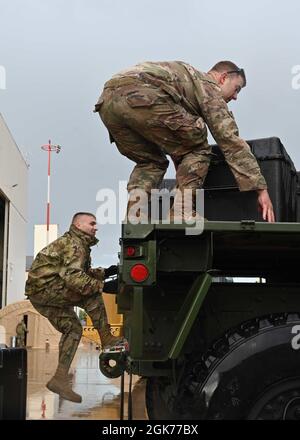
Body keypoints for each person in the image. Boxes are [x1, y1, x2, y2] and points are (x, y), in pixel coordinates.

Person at [94, 60, 275, 223]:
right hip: (143, 94)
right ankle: (182, 211)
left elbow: (172, 134)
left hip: (107, 102)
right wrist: (261, 190)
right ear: (223, 78)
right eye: (237, 89)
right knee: (199, 148)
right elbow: (229, 139)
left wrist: (178, 154)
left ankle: (135, 215)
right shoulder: (208, 85)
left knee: (151, 162)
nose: (235, 97)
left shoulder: (185, 79)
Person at [25, 212, 126, 403]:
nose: (96, 227)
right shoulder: (74, 244)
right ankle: (107, 339)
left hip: (39, 294)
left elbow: (82, 272)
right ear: (78, 225)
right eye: (92, 223)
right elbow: (74, 279)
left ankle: (59, 379)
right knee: (90, 292)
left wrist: (107, 272)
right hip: (45, 289)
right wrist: (104, 286)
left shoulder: (77, 244)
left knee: (73, 328)